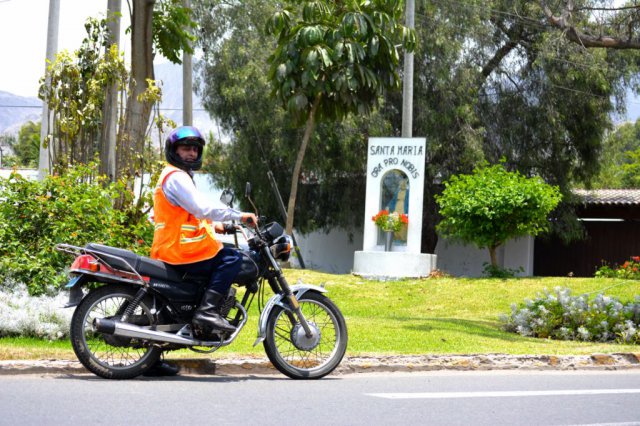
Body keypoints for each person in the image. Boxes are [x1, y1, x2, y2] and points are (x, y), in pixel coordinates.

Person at [151, 125, 258, 337]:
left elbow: (186, 215)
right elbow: (202, 209)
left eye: (195, 149)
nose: (191, 153)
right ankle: (207, 311)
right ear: (174, 151)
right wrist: (239, 216)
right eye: (186, 148)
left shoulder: (175, 176)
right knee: (232, 259)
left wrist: (217, 226)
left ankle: (197, 312)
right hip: (179, 250)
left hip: (172, 247)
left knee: (223, 255)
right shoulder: (176, 177)